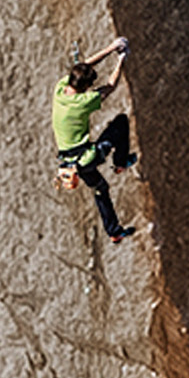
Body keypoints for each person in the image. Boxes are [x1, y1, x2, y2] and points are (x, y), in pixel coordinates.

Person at [51, 45, 137, 240]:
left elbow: (85, 65)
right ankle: (120, 162)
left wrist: (112, 48)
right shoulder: (82, 102)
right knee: (121, 123)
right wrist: (120, 59)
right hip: (87, 157)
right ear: (85, 88)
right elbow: (110, 86)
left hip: (70, 162)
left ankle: (114, 232)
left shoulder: (60, 89)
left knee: (101, 189)